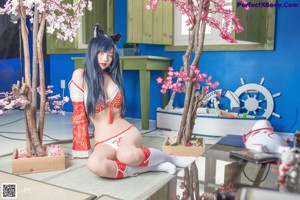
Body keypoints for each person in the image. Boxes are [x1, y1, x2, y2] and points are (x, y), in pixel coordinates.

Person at [69, 24, 195, 179]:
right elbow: (79, 116)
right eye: (101, 53)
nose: (105, 59)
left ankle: (171, 158)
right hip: (103, 141)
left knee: (127, 155)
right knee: (94, 164)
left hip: (126, 133)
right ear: (93, 51)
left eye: (110, 55)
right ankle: (147, 168)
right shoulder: (80, 75)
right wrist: (80, 148)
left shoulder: (113, 77)